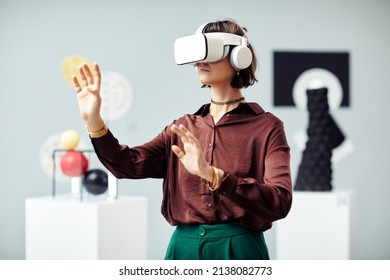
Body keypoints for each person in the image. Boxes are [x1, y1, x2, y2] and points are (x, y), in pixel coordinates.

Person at [72, 19, 292, 260]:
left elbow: (279, 201)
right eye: (198, 52)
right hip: (182, 250)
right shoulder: (182, 128)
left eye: (210, 50)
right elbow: (127, 164)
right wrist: (93, 121)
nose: (200, 61)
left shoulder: (267, 127)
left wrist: (214, 176)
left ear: (240, 57)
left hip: (240, 251)